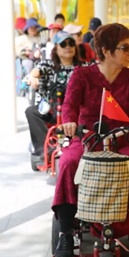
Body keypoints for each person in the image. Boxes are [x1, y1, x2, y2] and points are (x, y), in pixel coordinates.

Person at [52, 23, 129, 257]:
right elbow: (69, 105)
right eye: (125, 47)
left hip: (123, 140)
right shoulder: (82, 75)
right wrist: (69, 122)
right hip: (88, 139)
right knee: (69, 162)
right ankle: (66, 231)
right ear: (106, 50)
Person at [25, 31, 87, 165]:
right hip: (53, 110)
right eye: (63, 44)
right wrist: (34, 77)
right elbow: (37, 70)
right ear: (56, 49)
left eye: (71, 43)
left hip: (76, 114)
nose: (68, 47)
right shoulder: (48, 65)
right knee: (31, 112)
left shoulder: (83, 68)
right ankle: (44, 151)